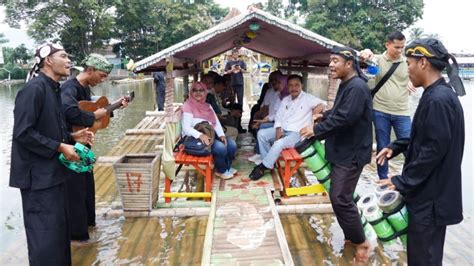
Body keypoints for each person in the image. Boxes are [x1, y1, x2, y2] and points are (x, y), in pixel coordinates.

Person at [376, 38, 465, 265]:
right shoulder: (434, 94)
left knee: (424, 258)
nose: (407, 69)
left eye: (409, 63)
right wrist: (394, 147)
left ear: (423, 62)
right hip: (428, 196)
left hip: (432, 200)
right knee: (423, 254)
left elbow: (433, 151)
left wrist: (402, 181)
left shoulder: (439, 99)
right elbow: (423, 137)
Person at [9, 43, 94, 265]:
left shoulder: (54, 89)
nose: (69, 61)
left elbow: (51, 129)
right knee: (45, 240)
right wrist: (60, 147)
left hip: (53, 175)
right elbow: (23, 134)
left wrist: (73, 139)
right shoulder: (33, 89)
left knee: (58, 236)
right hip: (36, 179)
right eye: (64, 56)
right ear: (48, 60)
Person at [300, 46, 373, 263]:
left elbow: (346, 119)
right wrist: (324, 115)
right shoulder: (347, 84)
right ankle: (353, 235)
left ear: (349, 64)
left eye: (335, 61)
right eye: (331, 60)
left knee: (340, 198)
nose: (331, 65)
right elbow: (341, 112)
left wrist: (316, 129)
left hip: (352, 152)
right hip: (342, 149)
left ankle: (361, 243)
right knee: (340, 196)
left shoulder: (358, 87)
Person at [61, 53, 127, 243]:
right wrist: (93, 116)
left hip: (84, 144)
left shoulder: (85, 89)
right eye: (102, 74)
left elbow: (92, 111)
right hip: (71, 145)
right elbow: (70, 113)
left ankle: (89, 227)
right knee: (76, 191)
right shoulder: (69, 88)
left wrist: (113, 109)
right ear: (89, 70)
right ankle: (77, 236)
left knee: (87, 188)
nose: (103, 79)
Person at [360, 31, 416, 180]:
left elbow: (417, 76)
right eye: (396, 47)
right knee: (382, 146)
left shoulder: (407, 63)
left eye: (402, 47)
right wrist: (366, 53)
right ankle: (383, 179)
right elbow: (366, 64)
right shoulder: (377, 60)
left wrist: (412, 81)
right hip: (380, 111)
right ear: (387, 44)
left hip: (402, 112)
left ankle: (411, 178)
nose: (400, 51)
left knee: (409, 146)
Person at [249, 74, 323, 180]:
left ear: (301, 85)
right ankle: (268, 161)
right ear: (287, 87)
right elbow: (279, 116)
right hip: (284, 130)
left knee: (278, 144)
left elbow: (322, 104)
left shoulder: (307, 98)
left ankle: (263, 166)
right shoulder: (286, 100)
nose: (294, 88)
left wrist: (315, 115)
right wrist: (278, 129)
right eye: (291, 85)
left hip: (298, 134)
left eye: (296, 85)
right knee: (261, 134)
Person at [182, 82, 237, 180]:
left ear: (205, 92)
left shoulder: (207, 105)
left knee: (231, 144)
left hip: (210, 134)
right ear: (191, 92)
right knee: (220, 148)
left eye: (201, 90)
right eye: (195, 90)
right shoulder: (188, 106)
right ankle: (221, 170)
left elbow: (215, 121)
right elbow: (186, 128)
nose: (198, 93)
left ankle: (226, 166)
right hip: (195, 138)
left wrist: (221, 135)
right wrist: (200, 135)